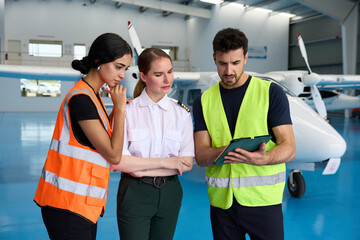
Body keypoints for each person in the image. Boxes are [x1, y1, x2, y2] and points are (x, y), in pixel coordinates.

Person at [192, 28, 296, 240]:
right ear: (214, 58)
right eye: (222, 63)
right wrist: (229, 151)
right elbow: (201, 157)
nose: (229, 70)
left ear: (246, 57)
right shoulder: (203, 101)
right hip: (222, 205)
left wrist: (265, 158)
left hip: (264, 202)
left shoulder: (270, 92)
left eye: (235, 63)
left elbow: (289, 147)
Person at [33, 33, 133, 240]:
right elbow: (113, 154)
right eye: (118, 66)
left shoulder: (91, 95)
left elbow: (102, 139)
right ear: (98, 61)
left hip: (79, 206)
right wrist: (121, 110)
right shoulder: (81, 100)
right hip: (67, 206)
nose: (122, 74)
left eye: (125, 68)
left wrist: (115, 109)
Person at [111, 48, 194, 240]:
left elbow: (187, 162)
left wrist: (139, 167)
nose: (167, 80)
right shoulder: (126, 112)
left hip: (170, 194)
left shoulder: (181, 114)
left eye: (170, 72)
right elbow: (119, 162)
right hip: (134, 193)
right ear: (143, 76)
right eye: (158, 74)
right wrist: (168, 163)